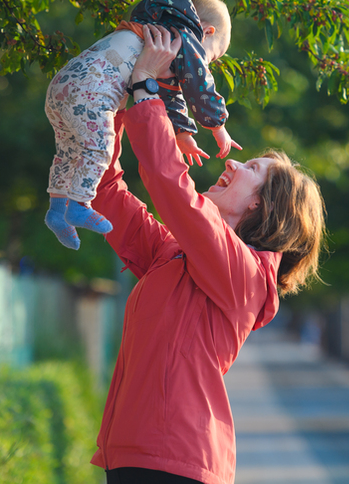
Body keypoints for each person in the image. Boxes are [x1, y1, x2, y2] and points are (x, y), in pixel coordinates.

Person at [89, 24, 326, 484]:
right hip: (136, 455)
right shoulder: (172, 255)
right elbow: (104, 189)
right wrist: (117, 99)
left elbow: (170, 186)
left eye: (251, 168)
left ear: (263, 204)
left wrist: (146, 89)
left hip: (174, 460)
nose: (232, 163)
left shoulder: (247, 277)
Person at [44, 0, 239, 250]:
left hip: (61, 87)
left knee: (68, 151)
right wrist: (218, 126)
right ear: (206, 31)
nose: (207, 63)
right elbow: (199, 83)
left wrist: (182, 133)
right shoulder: (186, 38)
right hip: (92, 92)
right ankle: (79, 204)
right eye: (213, 56)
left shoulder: (156, 32)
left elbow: (170, 91)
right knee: (100, 147)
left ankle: (56, 209)